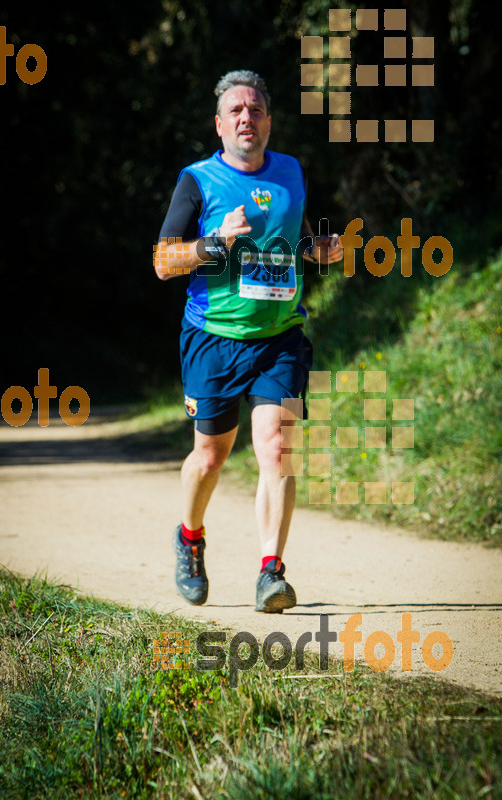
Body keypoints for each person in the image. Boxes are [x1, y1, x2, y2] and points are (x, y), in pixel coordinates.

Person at [154, 70, 343, 613]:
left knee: (278, 448)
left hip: (279, 337)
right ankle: (190, 538)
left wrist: (318, 250)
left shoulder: (290, 171)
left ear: (268, 121)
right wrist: (214, 243)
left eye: (256, 110)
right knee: (210, 457)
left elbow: (296, 238)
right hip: (213, 338)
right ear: (219, 124)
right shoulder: (197, 180)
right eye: (235, 110)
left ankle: (271, 572)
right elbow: (163, 262)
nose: (246, 118)